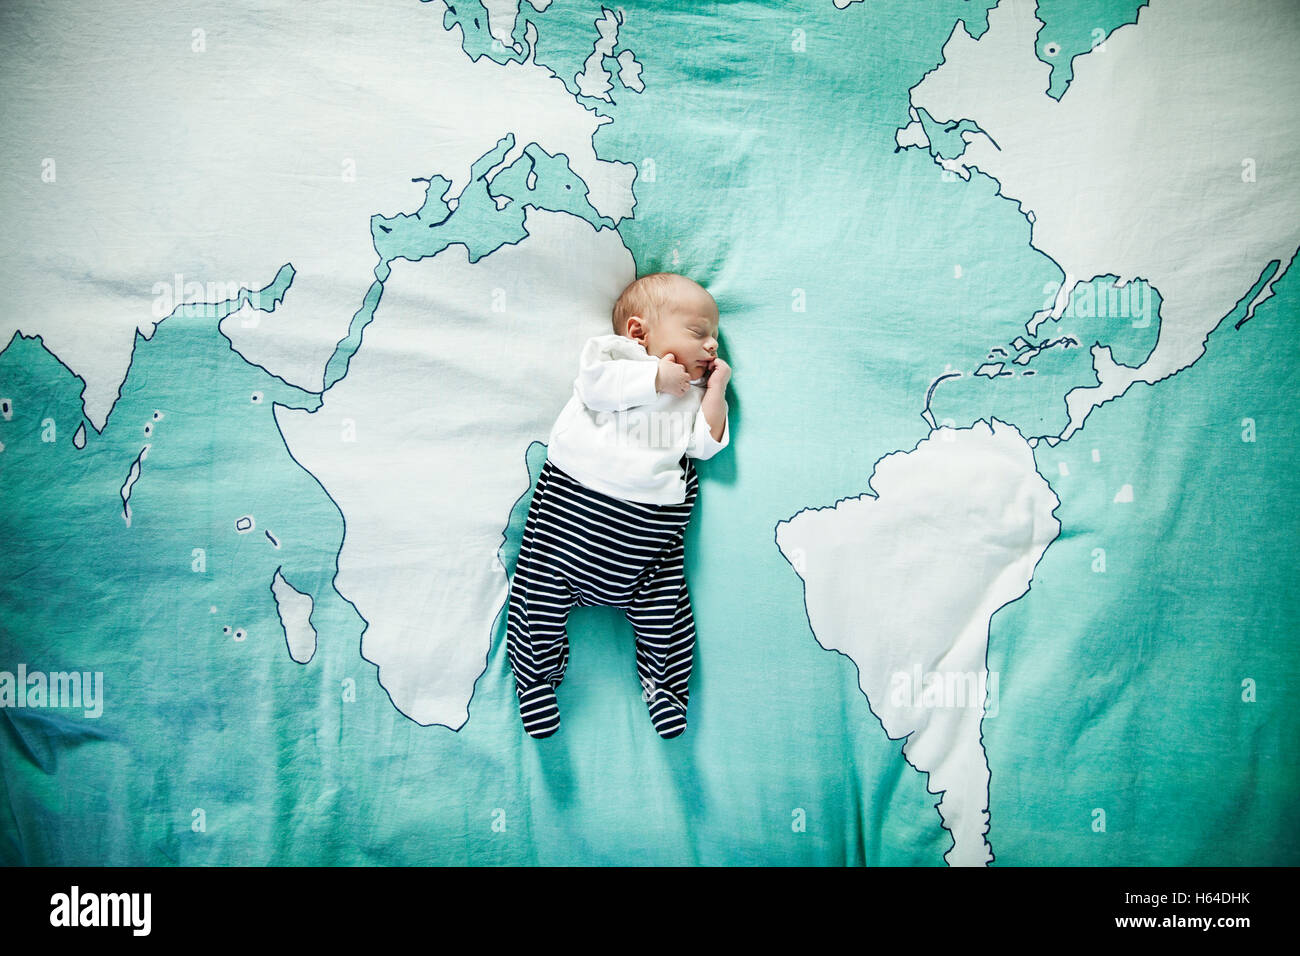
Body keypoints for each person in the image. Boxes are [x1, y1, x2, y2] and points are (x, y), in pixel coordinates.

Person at [505, 272, 731, 739]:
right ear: (637, 331)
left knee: (669, 613)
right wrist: (654, 377)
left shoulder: (691, 396)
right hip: (569, 521)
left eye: (714, 337)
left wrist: (715, 393)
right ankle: (535, 684)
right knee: (535, 599)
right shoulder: (613, 357)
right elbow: (594, 388)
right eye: (698, 332)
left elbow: (704, 447)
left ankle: (665, 690)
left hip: (646, 546)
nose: (711, 346)